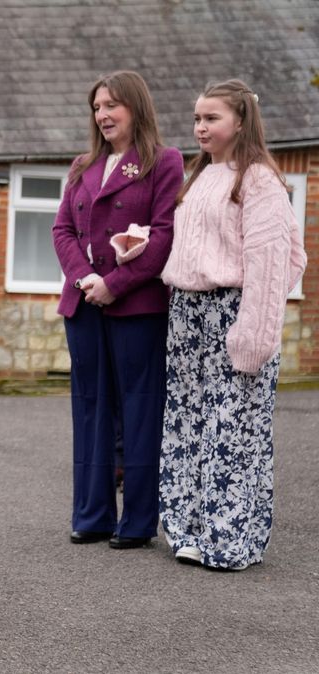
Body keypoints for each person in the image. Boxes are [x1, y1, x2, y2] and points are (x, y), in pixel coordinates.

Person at [159, 80, 306, 571]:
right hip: (188, 316)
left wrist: (253, 335)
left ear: (240, 121)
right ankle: (190, 529)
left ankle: (230, 541)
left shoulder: (260, 180)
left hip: (232, 316)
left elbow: (275, 262)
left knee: (232, 430)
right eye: (197, 118)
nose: (200, 127)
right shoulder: (200, 175)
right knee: (189, 424)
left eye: (212, 118)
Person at [51, 71, 184, 550]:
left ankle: (138, 521)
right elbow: (62, 230)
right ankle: (92, 514)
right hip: (84, 303)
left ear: (135, 107)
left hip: (136, 307)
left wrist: (116, 283)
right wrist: (87, 278)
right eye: (96, 107)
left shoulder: (164, 162)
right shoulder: (81, 165)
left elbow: (165, 235)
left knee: (140, 410)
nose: (102, 114)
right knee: (90, 409)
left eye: (112, 105)